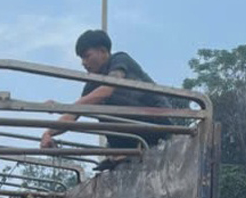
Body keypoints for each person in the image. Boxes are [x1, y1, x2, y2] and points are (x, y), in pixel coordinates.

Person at [40, 29, 173, 152]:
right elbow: (75, 113)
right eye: (81, 58)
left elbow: (106, 90)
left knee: (100, 102)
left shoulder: (120, 60)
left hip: (157, 122)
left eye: (87, 56)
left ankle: (121, 152)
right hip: (134, 130)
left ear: (103, 51)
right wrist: (48, 133)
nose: (83, 63)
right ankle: (122, 152)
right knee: (93, 105)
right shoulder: (92, 84)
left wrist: (63, 107)